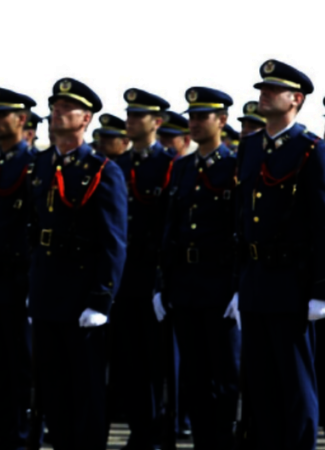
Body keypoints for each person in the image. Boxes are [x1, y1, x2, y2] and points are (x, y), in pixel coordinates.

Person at [29, 77, 127, 449]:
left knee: (85, 389)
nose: (57, 112)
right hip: (46, 293)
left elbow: (113, 242)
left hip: (82, 294)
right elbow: (33, 228)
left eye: (66, 107)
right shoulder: (40, 165)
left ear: (85, 118)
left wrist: (102, 298)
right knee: (51, 388)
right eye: (54, 106)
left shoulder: (102, 170)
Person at [236, 59, 324, 450]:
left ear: (297, 99)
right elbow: (241, 218)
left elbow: (323, 222)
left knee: (295, 383)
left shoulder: (311, 150)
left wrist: (322, 288)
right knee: (260, 384)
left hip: (293, 282)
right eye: (262, 88)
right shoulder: (251, 147)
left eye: (274, 89)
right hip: (255, 281)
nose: (264, 94)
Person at [154, 87, 240, 449]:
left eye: (203, 116)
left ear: (222, 121)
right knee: (193, 376)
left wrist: (239, 286)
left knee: (224, 377)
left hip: (219, 285)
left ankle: (222, 443)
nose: (195, 122)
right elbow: (170, 228)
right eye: (192, 116)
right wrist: (162, 283)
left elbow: (241, 227)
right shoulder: (183, 167)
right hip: (185, 285)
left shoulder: (234, 166)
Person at [109, 88, 174, 450]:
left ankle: (162, 429)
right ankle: (141, 430)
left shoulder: (168, 165)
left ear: (156, 122)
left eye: (139, 116)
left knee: (158, 362)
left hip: (153, 278)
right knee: (129, 362)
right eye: (129, 115)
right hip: (125, 279)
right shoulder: (118, 165)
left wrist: (164, 280)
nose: (131, 121)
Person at [0, 87, 36, 449]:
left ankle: (23, 435)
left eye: (4, 115)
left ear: (22, 120)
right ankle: (4, 434)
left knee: (20, 364)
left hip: (18, 279)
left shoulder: (31, 164)